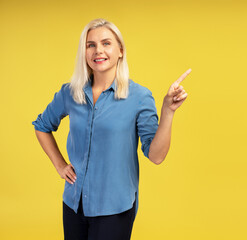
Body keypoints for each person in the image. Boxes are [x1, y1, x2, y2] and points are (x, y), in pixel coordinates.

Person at [32, 18, 191, 240]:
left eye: (106, 43)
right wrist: (59, 165)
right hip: (73, 203)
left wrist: (168, 112)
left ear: (120, 51)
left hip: (114, 209)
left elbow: (156, 156)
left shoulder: (139, 97)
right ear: (85, 52)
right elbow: (41, 126)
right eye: (91, 45)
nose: (99, 50)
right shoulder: (71, 92)